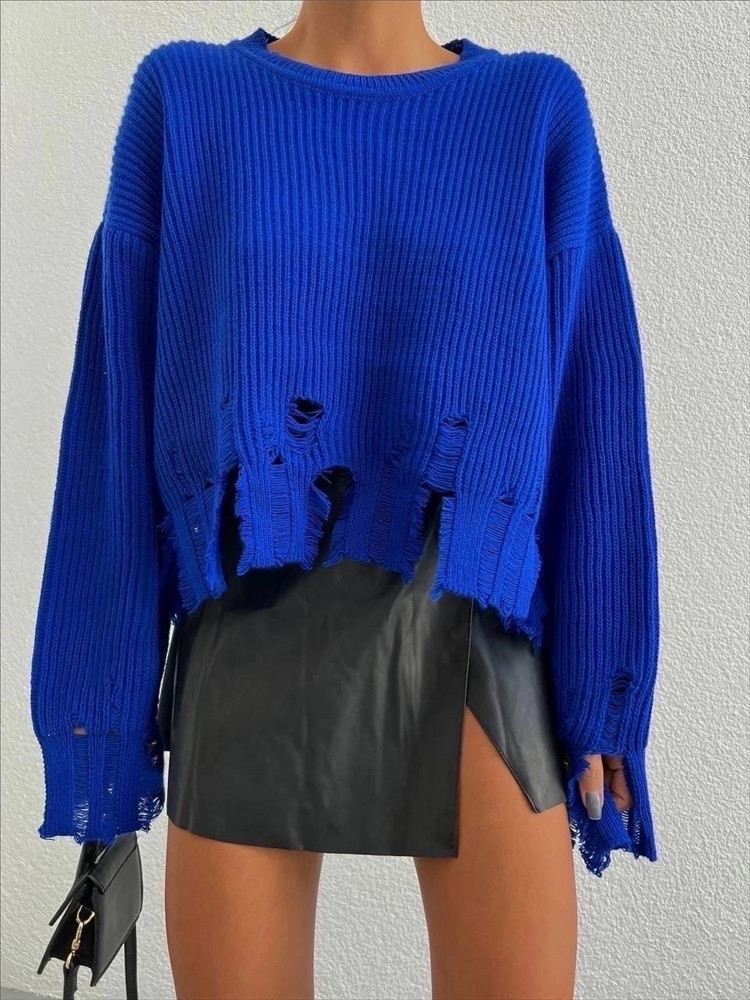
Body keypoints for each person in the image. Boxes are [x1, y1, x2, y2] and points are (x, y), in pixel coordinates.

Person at [29, 1, 661, 997]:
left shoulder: (532, 108)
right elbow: (114, 430)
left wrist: (605, 693)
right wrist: (97, 714)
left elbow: (596, 413)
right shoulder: (188, 99)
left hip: (471, 648)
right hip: (246, 649)